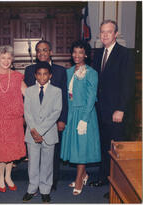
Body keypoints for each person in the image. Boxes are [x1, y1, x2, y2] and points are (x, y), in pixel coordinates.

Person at [89, 20, 135, 190]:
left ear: (116, 34)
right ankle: (103, 177)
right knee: (104, 146)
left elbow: (128, 84)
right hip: (101, 110)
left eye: (109, 32)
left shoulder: (125, 54)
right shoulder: (99, 54)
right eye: (102, 32)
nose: (105, 35)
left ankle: (116, 187)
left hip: (117, 111)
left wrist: (121, 108)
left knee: (116, 149)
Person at [24, 40, 68, 191]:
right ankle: (34, 186)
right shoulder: (29, 70)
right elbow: (28, 99)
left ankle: (50, 183)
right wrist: (34, 128)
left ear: (50, 52)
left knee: (51, 155)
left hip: (53, 123)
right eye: (39, 50)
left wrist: (62, 119)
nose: (42, 53)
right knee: (34, 158)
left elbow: (63, 99)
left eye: (45, 50)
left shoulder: (60, 71)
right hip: (34, 124)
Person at [60, 40, 101, 195]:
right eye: (74, 52)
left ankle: (79, 180)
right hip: (71, 113)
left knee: (81, 148)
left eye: (80, 52)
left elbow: (91, 97)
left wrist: (84, 119)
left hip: (85, 115)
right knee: (74, 147)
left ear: (85, 54)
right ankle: (83, 174)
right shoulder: (68, 71)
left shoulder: (91, 72)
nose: (77, 55)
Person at [0, 45, 27, 193]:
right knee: (2, 150)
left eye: (9, 58)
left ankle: (9, 176)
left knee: (12, 150)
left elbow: (28, 93)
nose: (6, 61)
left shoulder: (16, 76)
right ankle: (0, 176)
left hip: (15, 119)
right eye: (3, 58)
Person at [23, 62, 62, 203]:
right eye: (39, 74)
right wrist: (34, 130)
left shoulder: (57, 91)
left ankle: (45, 189)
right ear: (35, 75)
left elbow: (56, 113)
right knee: (33, 163)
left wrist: (40, 131)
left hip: (49, 134)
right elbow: (27, 112)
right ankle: (32, 188)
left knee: (47, 163)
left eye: (45, 74)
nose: (42, 77)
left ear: (50, 75)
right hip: (31, 133)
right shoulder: (29, 91)